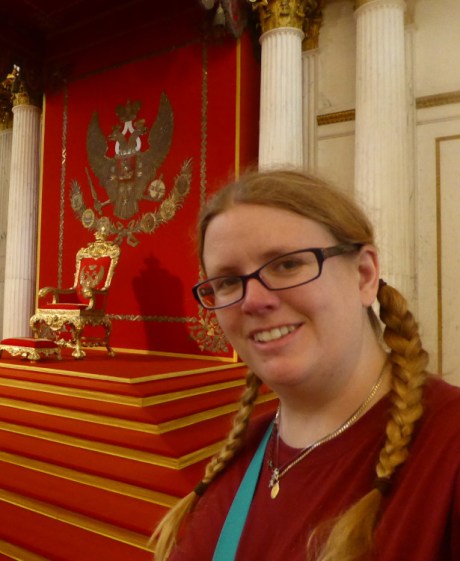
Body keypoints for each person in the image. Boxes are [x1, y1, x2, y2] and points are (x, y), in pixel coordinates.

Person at [152, 169, 460, 561]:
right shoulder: (242, 456)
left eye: (286, 265)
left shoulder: (446, 451)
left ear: (364, 275)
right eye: (228, 281)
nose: (253, 301)